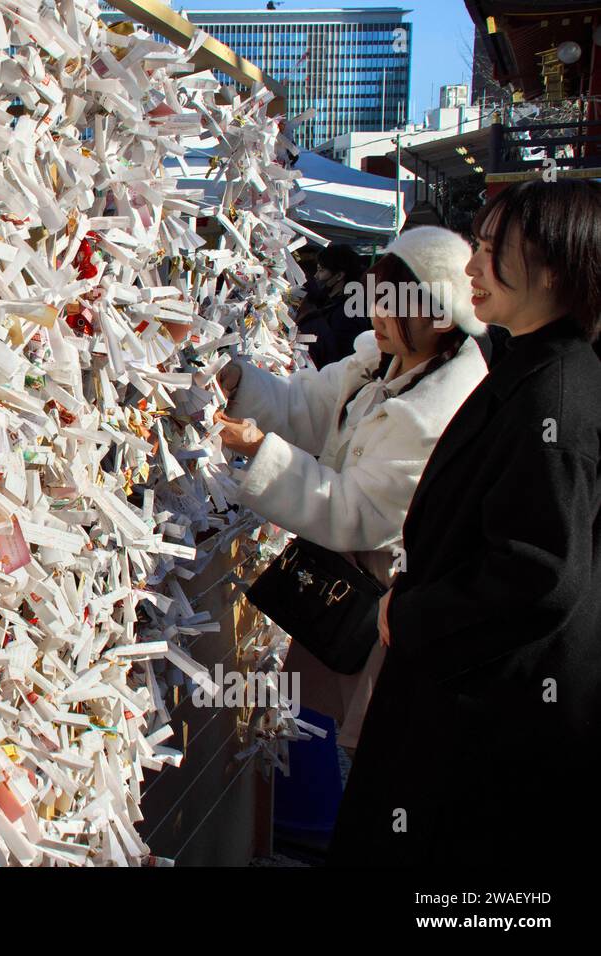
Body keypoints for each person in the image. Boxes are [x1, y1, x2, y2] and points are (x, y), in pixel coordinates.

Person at [329, 179, 601, 867]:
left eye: (490, 249)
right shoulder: (532, 367)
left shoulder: (556, 393)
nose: (472, 267)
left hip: (485, 715)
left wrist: (411, 613)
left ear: (554, 263)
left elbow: (539, 571)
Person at [215, 227, 489, 751]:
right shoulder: (378, 363)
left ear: (437, 314)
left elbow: (355, 512)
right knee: (348, 737)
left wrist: (258, 448)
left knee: (375, 748)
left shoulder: (439, 413)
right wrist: (236, 380)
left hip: (384, 610)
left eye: (392, 305)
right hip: (344, 593)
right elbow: (306, 404)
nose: (375, 315)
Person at [293, 243, 369, 368]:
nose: (316, 276)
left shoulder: (350, 312)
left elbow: (341, 358)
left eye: (321, 270)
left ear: (339, 275)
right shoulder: (328, 300)